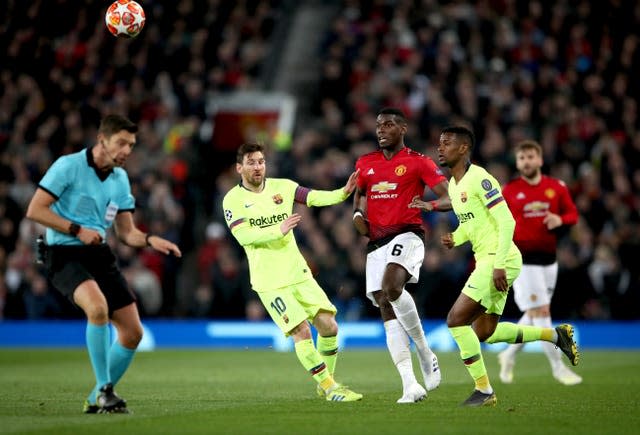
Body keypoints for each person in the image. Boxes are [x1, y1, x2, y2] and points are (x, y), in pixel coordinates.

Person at [25, 114, 182, 413]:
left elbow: (126, 233)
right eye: (121, 143)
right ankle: (106, 391)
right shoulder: (67, 166)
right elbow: (35, 209)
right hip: (63, 253)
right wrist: (75, 230)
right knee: (97, 309)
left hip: (99, 253)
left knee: (132, 333)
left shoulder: (120, 179)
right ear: (102, 140)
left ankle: (95, 398)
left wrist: (150, 240)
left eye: (131, 145)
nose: (127, 151)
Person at [434, 126, 579, 407]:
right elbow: (471, 224)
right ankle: (555, 334)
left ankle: (484, 390)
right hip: (490, 258)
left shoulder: (481, 178)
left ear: (464, 148)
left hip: (497, 259)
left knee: (455, 321)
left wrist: (499, 265)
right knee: (485, 333)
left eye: (447, 143)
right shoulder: (454, 185)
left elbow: (507, 221)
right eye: (439, 144)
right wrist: (456, 237)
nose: (440, 148)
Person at [222, 142, 362, 402]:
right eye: (251, 162)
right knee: (302, 332)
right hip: (269, 280)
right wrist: (279, 230)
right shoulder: (233, 199)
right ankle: (331, 388)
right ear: (239, 168)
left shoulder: (283, 187)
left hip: (298, 272)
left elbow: (312, 197)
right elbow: (244, 236)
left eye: (261, 161)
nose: (258, 167)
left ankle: (325, 384)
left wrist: (342, 193)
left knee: (329, 327)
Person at [353, 107, 450, 403]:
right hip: (376, 242)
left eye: (389, 125)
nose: (382, 130)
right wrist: (358, 213)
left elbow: (450, 195)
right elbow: (359, 195)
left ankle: (424, 349)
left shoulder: (418, 162)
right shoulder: (365, 163)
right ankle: (410, 384)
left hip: (408, 234)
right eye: (379, 125)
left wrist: (430, 206)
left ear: (403, 128)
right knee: (385, 304)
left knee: (392, 287)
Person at [499, 140, 582, 385]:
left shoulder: (556, 187)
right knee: (542, 312)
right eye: (522, 158)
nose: (526, 161)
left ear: (540, 160)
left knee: (533, 313)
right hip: (522, 260)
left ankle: (508, 354)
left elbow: (572, 214)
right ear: (517, 162)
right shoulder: (509, 191)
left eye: (530, 156)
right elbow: (498, 224)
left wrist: (560, 218)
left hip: (549, 260)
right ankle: (557, 368)